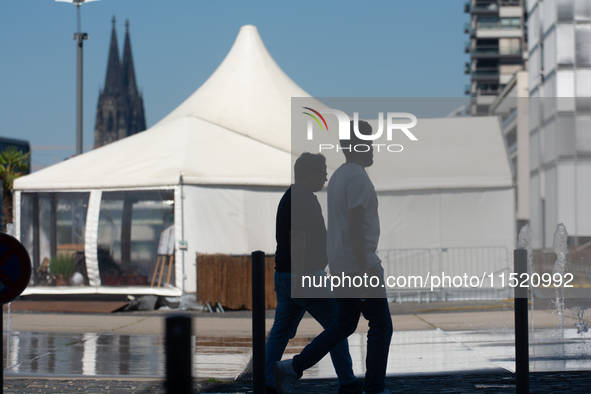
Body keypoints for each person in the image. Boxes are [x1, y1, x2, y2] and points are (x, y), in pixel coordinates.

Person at [275, 121, 393, 394]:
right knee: (381, 327)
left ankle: (291, 368)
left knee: (343, 324)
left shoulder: (340, 175)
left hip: (341, 265)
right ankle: (374, 388)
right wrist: (365, 271)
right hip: (360, 265)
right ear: (359, 146)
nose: (373, 148)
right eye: (370, 143)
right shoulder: (359, 178)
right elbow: (354, 225)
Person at [266, 152, 363, 394]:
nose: (325, 178)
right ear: (310, 174)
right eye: (322, 173)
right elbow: (297, 236)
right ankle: (347, 381)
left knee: (279, 332)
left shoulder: (290, 196)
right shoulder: (303, 198)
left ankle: (266, 381)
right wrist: (302, 275)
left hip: (285, 275)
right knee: (337, 326)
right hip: (305, 275)